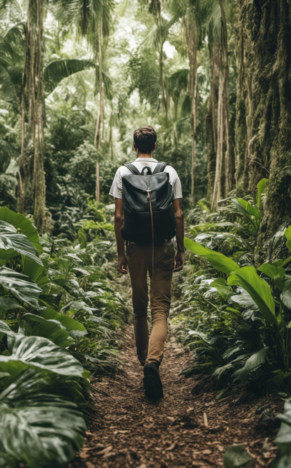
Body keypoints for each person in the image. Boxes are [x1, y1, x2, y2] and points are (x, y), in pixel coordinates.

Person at [110, 126, 185, 399]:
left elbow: (118, 218)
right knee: (160, 311)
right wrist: (181, 249)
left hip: (136, 249)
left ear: (134, 145)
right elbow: (178, 214)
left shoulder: (123, 172)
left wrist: (121, 253)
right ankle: (153, 362)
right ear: (154, 145)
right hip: (164, 247)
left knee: (140, 310)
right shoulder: (170, 172)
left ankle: (144, 364)